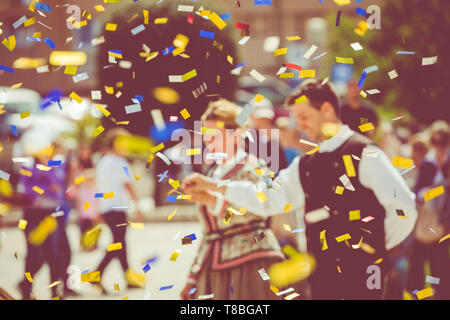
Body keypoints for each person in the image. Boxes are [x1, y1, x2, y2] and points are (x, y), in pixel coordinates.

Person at [183, 79, 418, 300]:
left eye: (304, 116)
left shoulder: (364, 152)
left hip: (365, 276)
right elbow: (267, 198)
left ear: (326, 110)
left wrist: (373, 248)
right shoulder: (306, 164)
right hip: (322, 274)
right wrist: (215, 186)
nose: (301, 126)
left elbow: (405, 207)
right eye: (297, 118)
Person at [180, 99, 285, 300]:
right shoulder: (212, 172)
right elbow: (209, 233)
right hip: (215, 267)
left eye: (214, 136)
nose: (207, 141)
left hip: (251, 262)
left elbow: (259, 209)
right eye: (205, 136)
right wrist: (193, 276)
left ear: (236, 134)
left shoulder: (254, 166)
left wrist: (212, 200)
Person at [93, 128, 145, 293]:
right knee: (118, 243)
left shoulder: (103, 161)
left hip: (107, 208)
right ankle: (96, 274)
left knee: (120, 243)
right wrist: (138, 207)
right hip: (117, 209)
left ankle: (127, 278)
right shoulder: (120, 162)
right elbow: (128, 185)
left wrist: (98, 209)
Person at [406, 124, 450, 299]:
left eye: (443, 140)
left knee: (440, 266)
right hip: (426, 222)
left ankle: (440, 294)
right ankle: (417, 295)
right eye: (435, 140)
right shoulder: (428, 163)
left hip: (444, 222)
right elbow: (418, 193)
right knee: (418, 264)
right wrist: (436, 190)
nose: (439, 144)